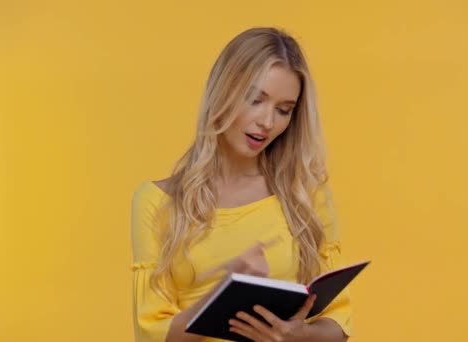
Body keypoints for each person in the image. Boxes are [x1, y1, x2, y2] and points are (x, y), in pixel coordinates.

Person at [131, 27, 352, 342]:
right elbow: (151, 335)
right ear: (224, 91)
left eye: (283, 110)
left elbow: (339, 327)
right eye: (255, 100)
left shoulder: (305, 195)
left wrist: (298, 335)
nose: (267, 122)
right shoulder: (157, 202)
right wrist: (225, 293)